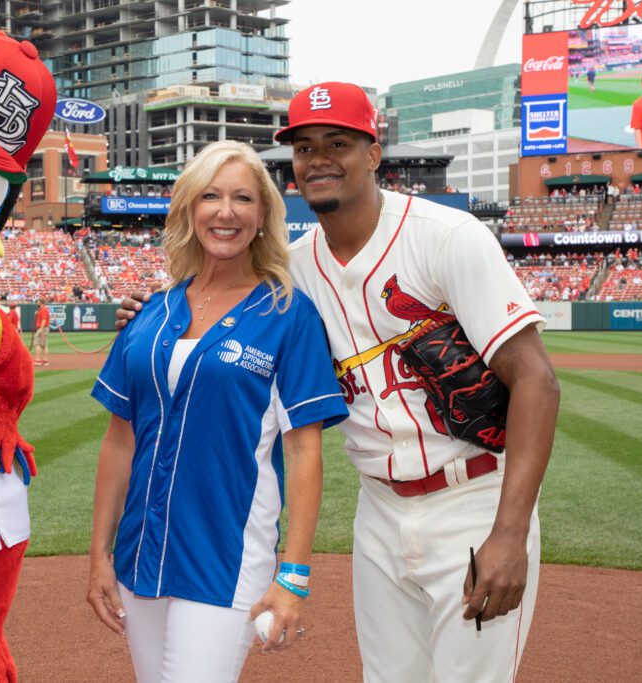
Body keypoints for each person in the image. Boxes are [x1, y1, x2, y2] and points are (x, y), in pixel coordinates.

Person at [118, 82, 560, 682]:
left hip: (473, 498)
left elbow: (536, 380)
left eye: (338, 142)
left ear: (374, 152)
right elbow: (218, 302)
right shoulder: (294, 271)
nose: (318, 158)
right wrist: (155, 315)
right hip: (378, 508)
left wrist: (508, 535)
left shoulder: (445, 237)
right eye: (304, 147)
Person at [88, 141, 347, 682]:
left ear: (262, 217)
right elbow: (119, 440)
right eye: (210, 196)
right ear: (189, 209)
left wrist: (293, 574)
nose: (225, 212)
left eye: (242, 198)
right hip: (142, 554)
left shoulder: (288, 313)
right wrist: (98, 554)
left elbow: (303, 451)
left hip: (226, 556)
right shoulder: (153, 311)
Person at [32, 296, 50, 366]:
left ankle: (38, 360)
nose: (37, 303)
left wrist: (40, 330)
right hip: (44, 328)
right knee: (44, 345)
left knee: (37, 344)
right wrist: (37, 313)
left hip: (43, 328)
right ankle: (45, 360)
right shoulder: (41, 310)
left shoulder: (44, 310)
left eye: (38, 302)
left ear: (40, 302)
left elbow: (44, 320)